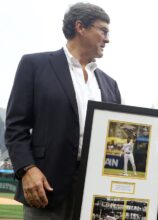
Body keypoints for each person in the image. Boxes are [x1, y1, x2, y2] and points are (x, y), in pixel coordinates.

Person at [5, 3, 121, 219]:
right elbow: (15, 126)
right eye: (103, 31)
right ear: (81, 27)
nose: (107, 39)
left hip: (95, 193)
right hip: (46, 188)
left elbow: (116, 139)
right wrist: (27, 169)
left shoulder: (110, 84)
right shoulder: (34, 65)